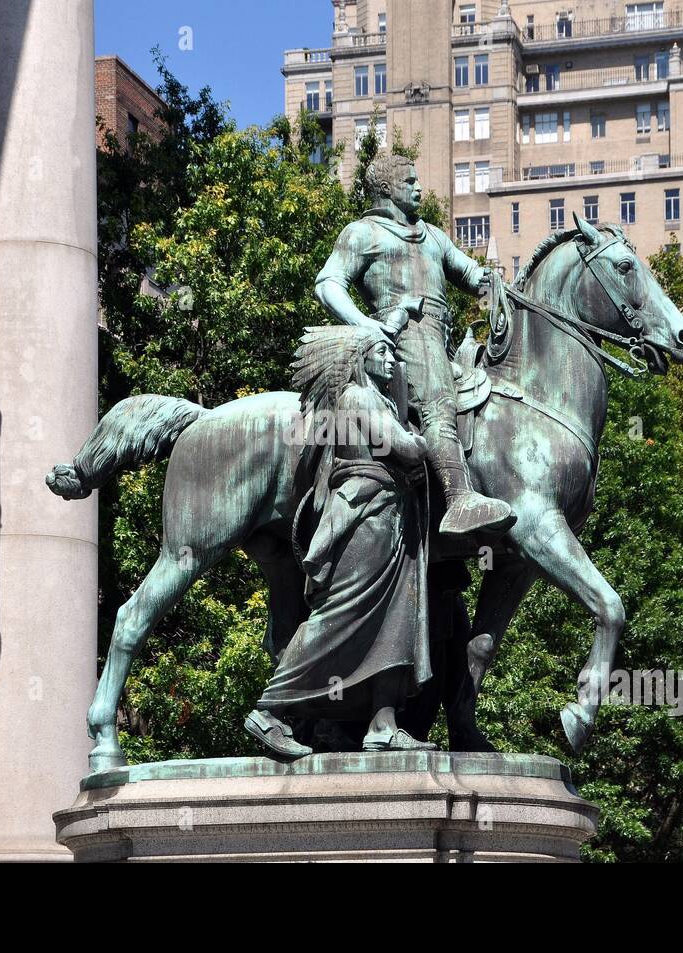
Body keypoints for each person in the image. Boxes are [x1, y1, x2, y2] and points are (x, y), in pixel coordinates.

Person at [245, 325, 438, 757]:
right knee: (342, 611)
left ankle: (383, 724)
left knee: (399, 616)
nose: (391, 360)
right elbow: (406, 450)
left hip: (391, 513)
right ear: (360, 357)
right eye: (382, 352)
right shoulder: (358, 397)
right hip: (367, 512)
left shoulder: (380, 399)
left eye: (393, 354)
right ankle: (270, 709)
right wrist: (427, 436)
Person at [313, 152, 515, 537]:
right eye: (410, 182)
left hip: (442, 339)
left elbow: (470, 274)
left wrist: (496, 284)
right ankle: (459, 500)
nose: (420, 188)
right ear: (388, 189)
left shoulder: (433, 235)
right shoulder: (363, 233)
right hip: (406, 336)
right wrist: (370, 327)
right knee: (439, 401)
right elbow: (327, 284)